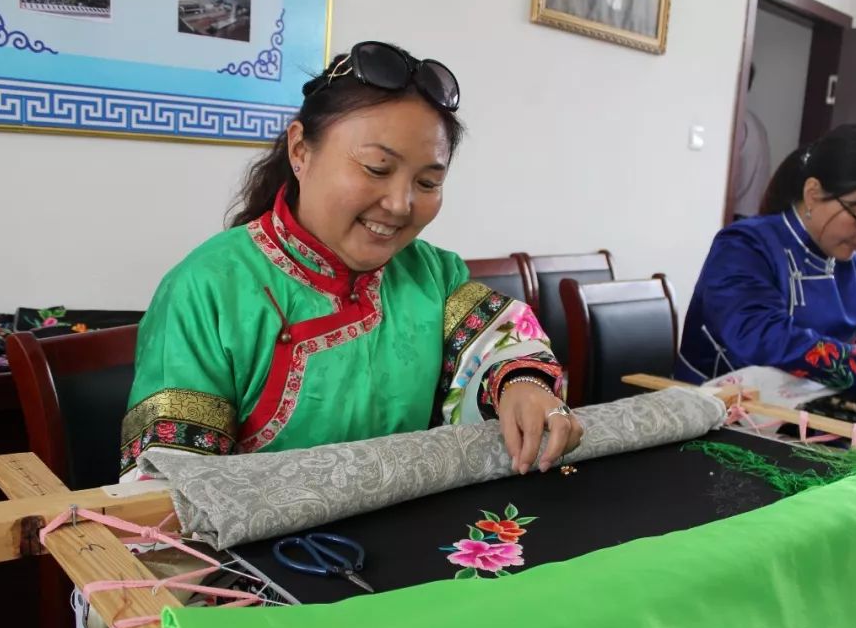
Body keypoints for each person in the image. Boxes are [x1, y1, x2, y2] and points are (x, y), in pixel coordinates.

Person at [119, 41, 583, 482]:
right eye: (377, 169)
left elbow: (501, 346)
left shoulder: (433, 274)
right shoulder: (206, 287)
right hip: (266, 555)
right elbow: (170, 486)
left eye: (426, 183)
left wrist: (524, 385)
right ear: (300, 150)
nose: (401, 204)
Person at [676, 123, 856, 402]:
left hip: (806, 409)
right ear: (813, 193)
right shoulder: (744, 245)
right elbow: (759, 336)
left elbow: (851, 342)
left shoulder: (855, 268)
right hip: (718, 412)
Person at [733, 64, 771, 220]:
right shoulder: (755, 122)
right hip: (753, 211)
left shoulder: (737, 122)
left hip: (737, 212)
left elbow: (735, 177)